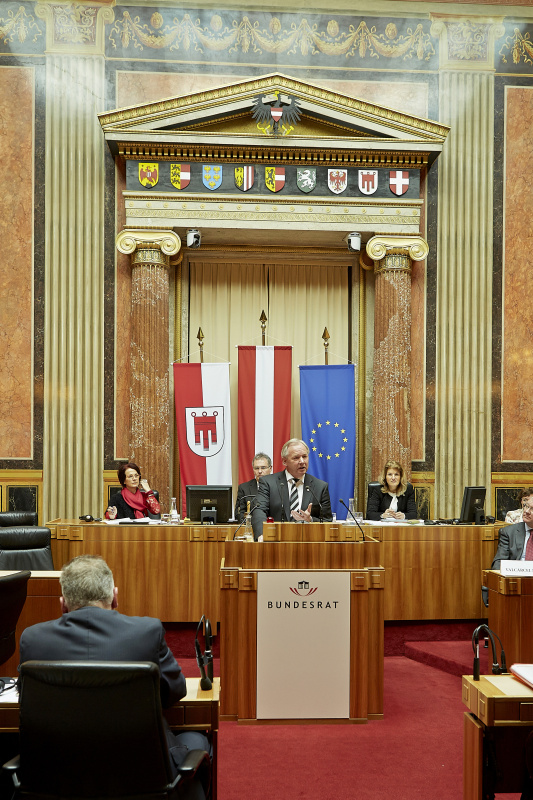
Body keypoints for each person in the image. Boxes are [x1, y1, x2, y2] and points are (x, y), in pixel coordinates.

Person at [19, 555, 210, 799]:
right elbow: (174, 691)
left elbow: (28, 698)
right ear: (115, 597)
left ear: (63, 604)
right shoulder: (147, 632)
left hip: (57, 778)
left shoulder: (32, 639)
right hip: (143, 776)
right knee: (198, 740)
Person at [251, 438, 332, 540]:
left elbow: (327, 521)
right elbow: (259, 510)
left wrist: (310, 520)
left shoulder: (320, 487)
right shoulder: (268, 483)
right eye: (296, 458)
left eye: (304, 456)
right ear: (284, 461)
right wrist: (262, 535)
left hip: (308, 543)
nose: (302, 461)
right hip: (276, 542)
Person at [491, 490, 533, 570]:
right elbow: (498, 563)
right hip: (515, 575)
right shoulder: (508, 532)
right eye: (526, 506)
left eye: (532, 509)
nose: (527, 511)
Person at [234, 452, 272, 521]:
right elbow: (239, 514)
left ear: (270, 468)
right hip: (252, 525)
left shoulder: (279, 486)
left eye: (263, 468)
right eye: (256, 468)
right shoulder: (244, 488)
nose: (259, 471)